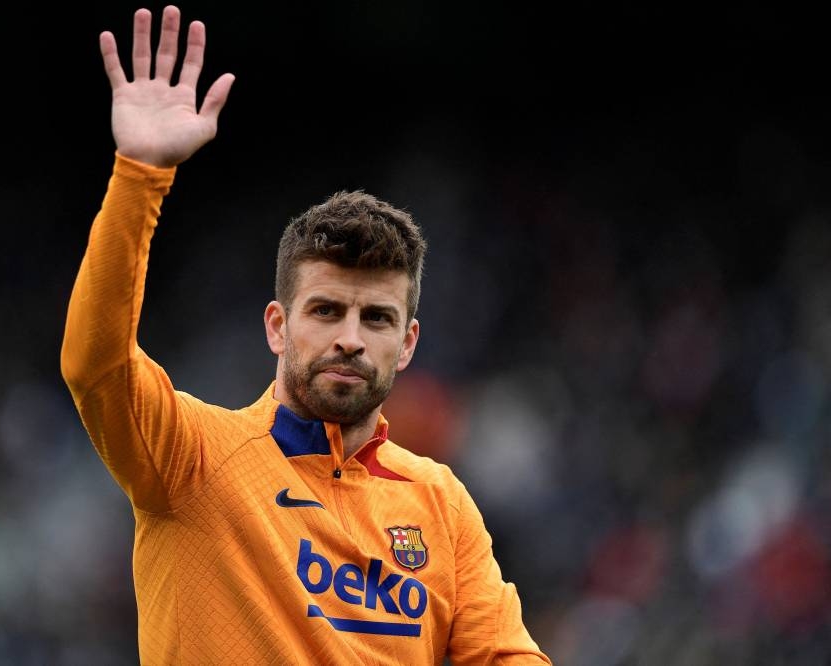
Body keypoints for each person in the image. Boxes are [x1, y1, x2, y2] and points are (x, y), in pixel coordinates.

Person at [60, 5, 551, 664]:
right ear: (276, 326)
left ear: (406, 344)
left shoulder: (441, 505)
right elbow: (95, 366)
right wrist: (139, 177)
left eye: (375, 318)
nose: (350, 337)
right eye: (325, 311)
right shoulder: (191, 461)